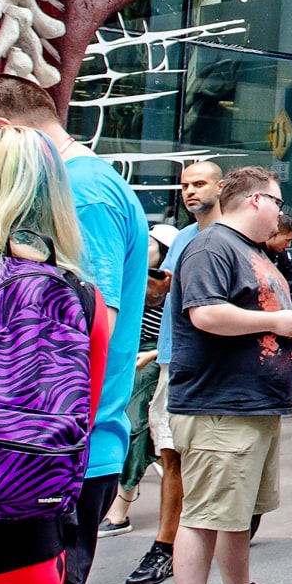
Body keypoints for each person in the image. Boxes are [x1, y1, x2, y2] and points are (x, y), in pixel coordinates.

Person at [0, 73, 149, 584]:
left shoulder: (84, 195)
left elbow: (76, 341)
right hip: (53, 465)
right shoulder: (78, 244)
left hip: (12, 471)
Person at [167, 165, 292, 584]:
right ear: (256, 200)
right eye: (277, 202)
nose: (279, 214)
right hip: (221, 407)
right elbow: (207, 314)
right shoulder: (211, 246)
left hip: (249, 407)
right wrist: (276, 322)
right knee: (204, 518)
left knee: (236, 519)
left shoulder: (251, 250)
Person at [125, 161, 223, 584]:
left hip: (214, 367)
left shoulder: (233, 239)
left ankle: (195, 545)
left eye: (199, 184)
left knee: (210, 460)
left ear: (221, 187)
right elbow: (168, 291)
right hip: (172, 360)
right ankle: (166, 546)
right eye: (185, 185)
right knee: (170, 453)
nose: (189, 191)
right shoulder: (182, 237)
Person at [100, 223, 181, 539]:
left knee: (136, 426)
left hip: (152, 356)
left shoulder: (171, 281)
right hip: (127, 352)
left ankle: (120, 508)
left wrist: (150, 356)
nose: (143, 244)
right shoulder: (133, 275)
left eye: (151, 241)